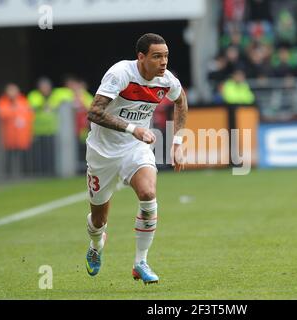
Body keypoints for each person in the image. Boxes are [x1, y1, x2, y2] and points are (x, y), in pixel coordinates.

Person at [84, 33, 188, 285]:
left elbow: (181, 101)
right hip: (103, 152)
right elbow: (94, 112)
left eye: (165, 56)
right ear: (141, 57)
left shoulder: (166, 80)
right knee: (98, 220)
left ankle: (140, 262)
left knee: (148, 194)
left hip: (135, 148)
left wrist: (177, 142)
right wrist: (134, 128)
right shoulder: (120, 73)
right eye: (156, 56)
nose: (163, 62)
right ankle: (97, 244)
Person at [0, 83, 34, 178]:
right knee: (9, 157)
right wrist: (14, 112)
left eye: (14, 90)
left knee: (24, 157)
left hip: (22, 135)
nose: (12, 92)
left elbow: (29, 114)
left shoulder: (23, 100)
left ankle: (25, 174)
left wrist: (15, 112)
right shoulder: (3, 101)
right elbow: (3, 114)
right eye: (10, 90)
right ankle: (8, 175)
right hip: (9, 135)